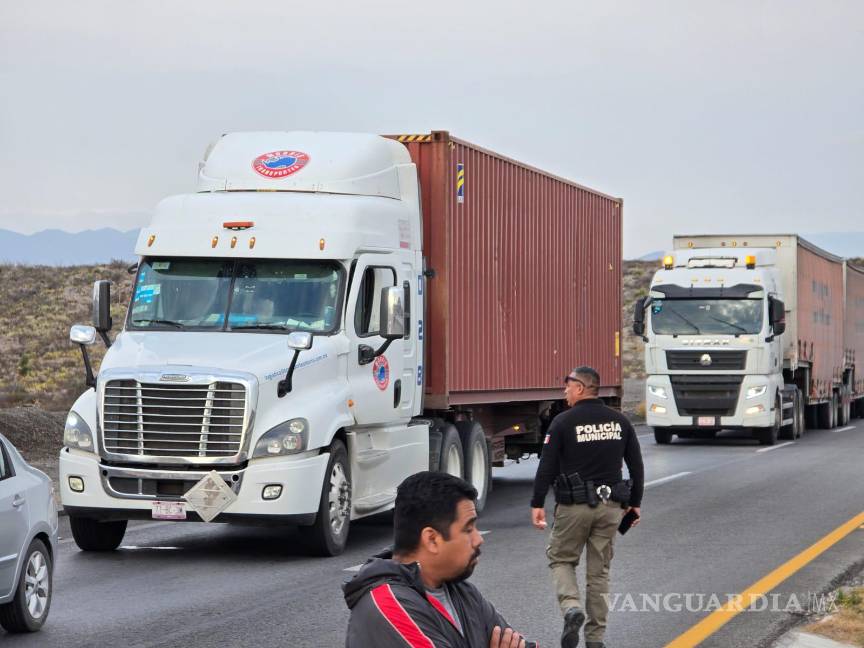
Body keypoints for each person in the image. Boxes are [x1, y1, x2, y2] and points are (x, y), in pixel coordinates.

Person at [344, 471, 536, 648]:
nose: (479, 539)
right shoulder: (388, 605)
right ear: (432, 539)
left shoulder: (461, 592)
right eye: (468, 529)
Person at [530, 366, 644, 648]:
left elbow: (547, 466)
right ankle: (595, 640)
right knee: (599, 573)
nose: (564, 391)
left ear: (581, 388)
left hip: (574, 507)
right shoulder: (620, 422)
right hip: (611, 507)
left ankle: (571, 607)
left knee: (561, 559)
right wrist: (636, 504)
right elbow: (636, 466)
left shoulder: (563, 422)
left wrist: (537, 503)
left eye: (567, 385)